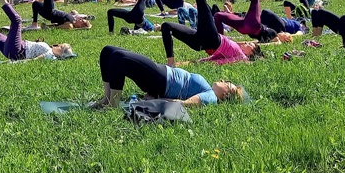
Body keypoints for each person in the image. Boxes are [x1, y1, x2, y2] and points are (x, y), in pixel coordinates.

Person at [159, 0, 262, 66]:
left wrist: (201, 63)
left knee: (202, 2)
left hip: (212, 39)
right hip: (200, 42)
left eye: (251, 45)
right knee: (166, 26)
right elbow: (214, 58)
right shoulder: (238, 49)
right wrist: (195, 62)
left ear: (251, 53)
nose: (247, 42)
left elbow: (221, 61)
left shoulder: (242, 57)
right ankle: (170, 62)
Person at [89, 46, 246, 108]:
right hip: (160, 75)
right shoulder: (208, 90)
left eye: (228, 84)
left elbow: (183, 104)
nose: (224, 81)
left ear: (226, 94)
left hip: (161, 80)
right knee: (107, 51)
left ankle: (112, 104)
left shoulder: (210, 97)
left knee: (118, 58)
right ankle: (107, 99)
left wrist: (154, 101)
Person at [0, 0, 75, 61]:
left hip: (17, 50)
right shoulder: (49, 50)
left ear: (61, 53)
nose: (58, 45)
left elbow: (31, 61)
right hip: (13, 48)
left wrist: (6, 63)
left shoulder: (50, 55)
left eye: (61, 46)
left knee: (17, 20)